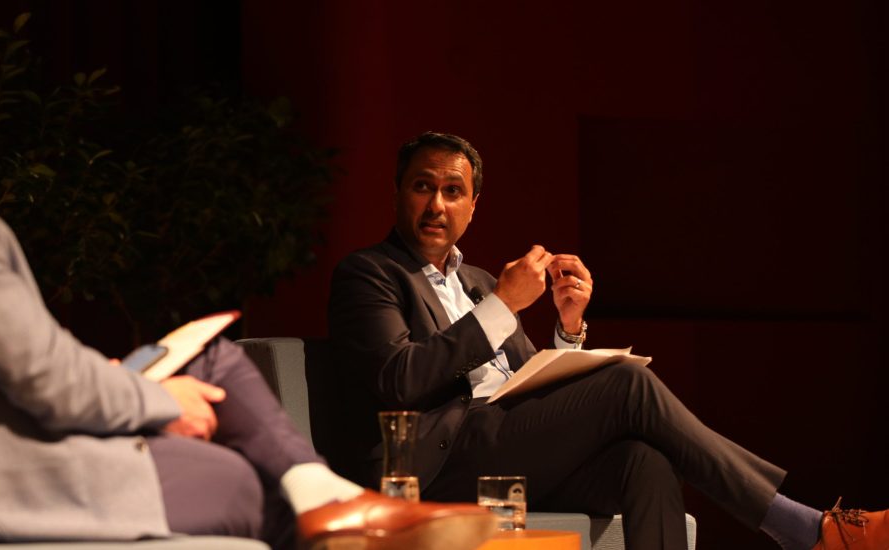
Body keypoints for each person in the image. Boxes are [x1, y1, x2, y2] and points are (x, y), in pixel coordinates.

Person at [0, 10, 500, 550]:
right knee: (248, 479)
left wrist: (129, 379)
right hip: (4, 481)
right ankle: (329, 501)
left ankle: (326, 493)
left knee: (214, 355)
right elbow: (46, 384)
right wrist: (158, 402)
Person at [327, 131, 887, 550]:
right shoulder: (369, 274)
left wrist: (568, 329)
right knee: (626, 384)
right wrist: (505, 306)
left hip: (505, 449)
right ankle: (801, 526)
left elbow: (530, 386)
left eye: (454, 191)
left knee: (644, 460)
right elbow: (397, 380)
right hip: (438, 467)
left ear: (474, 208)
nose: (437, 204)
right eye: (423, 187)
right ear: (398, 192)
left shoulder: (477, 283)